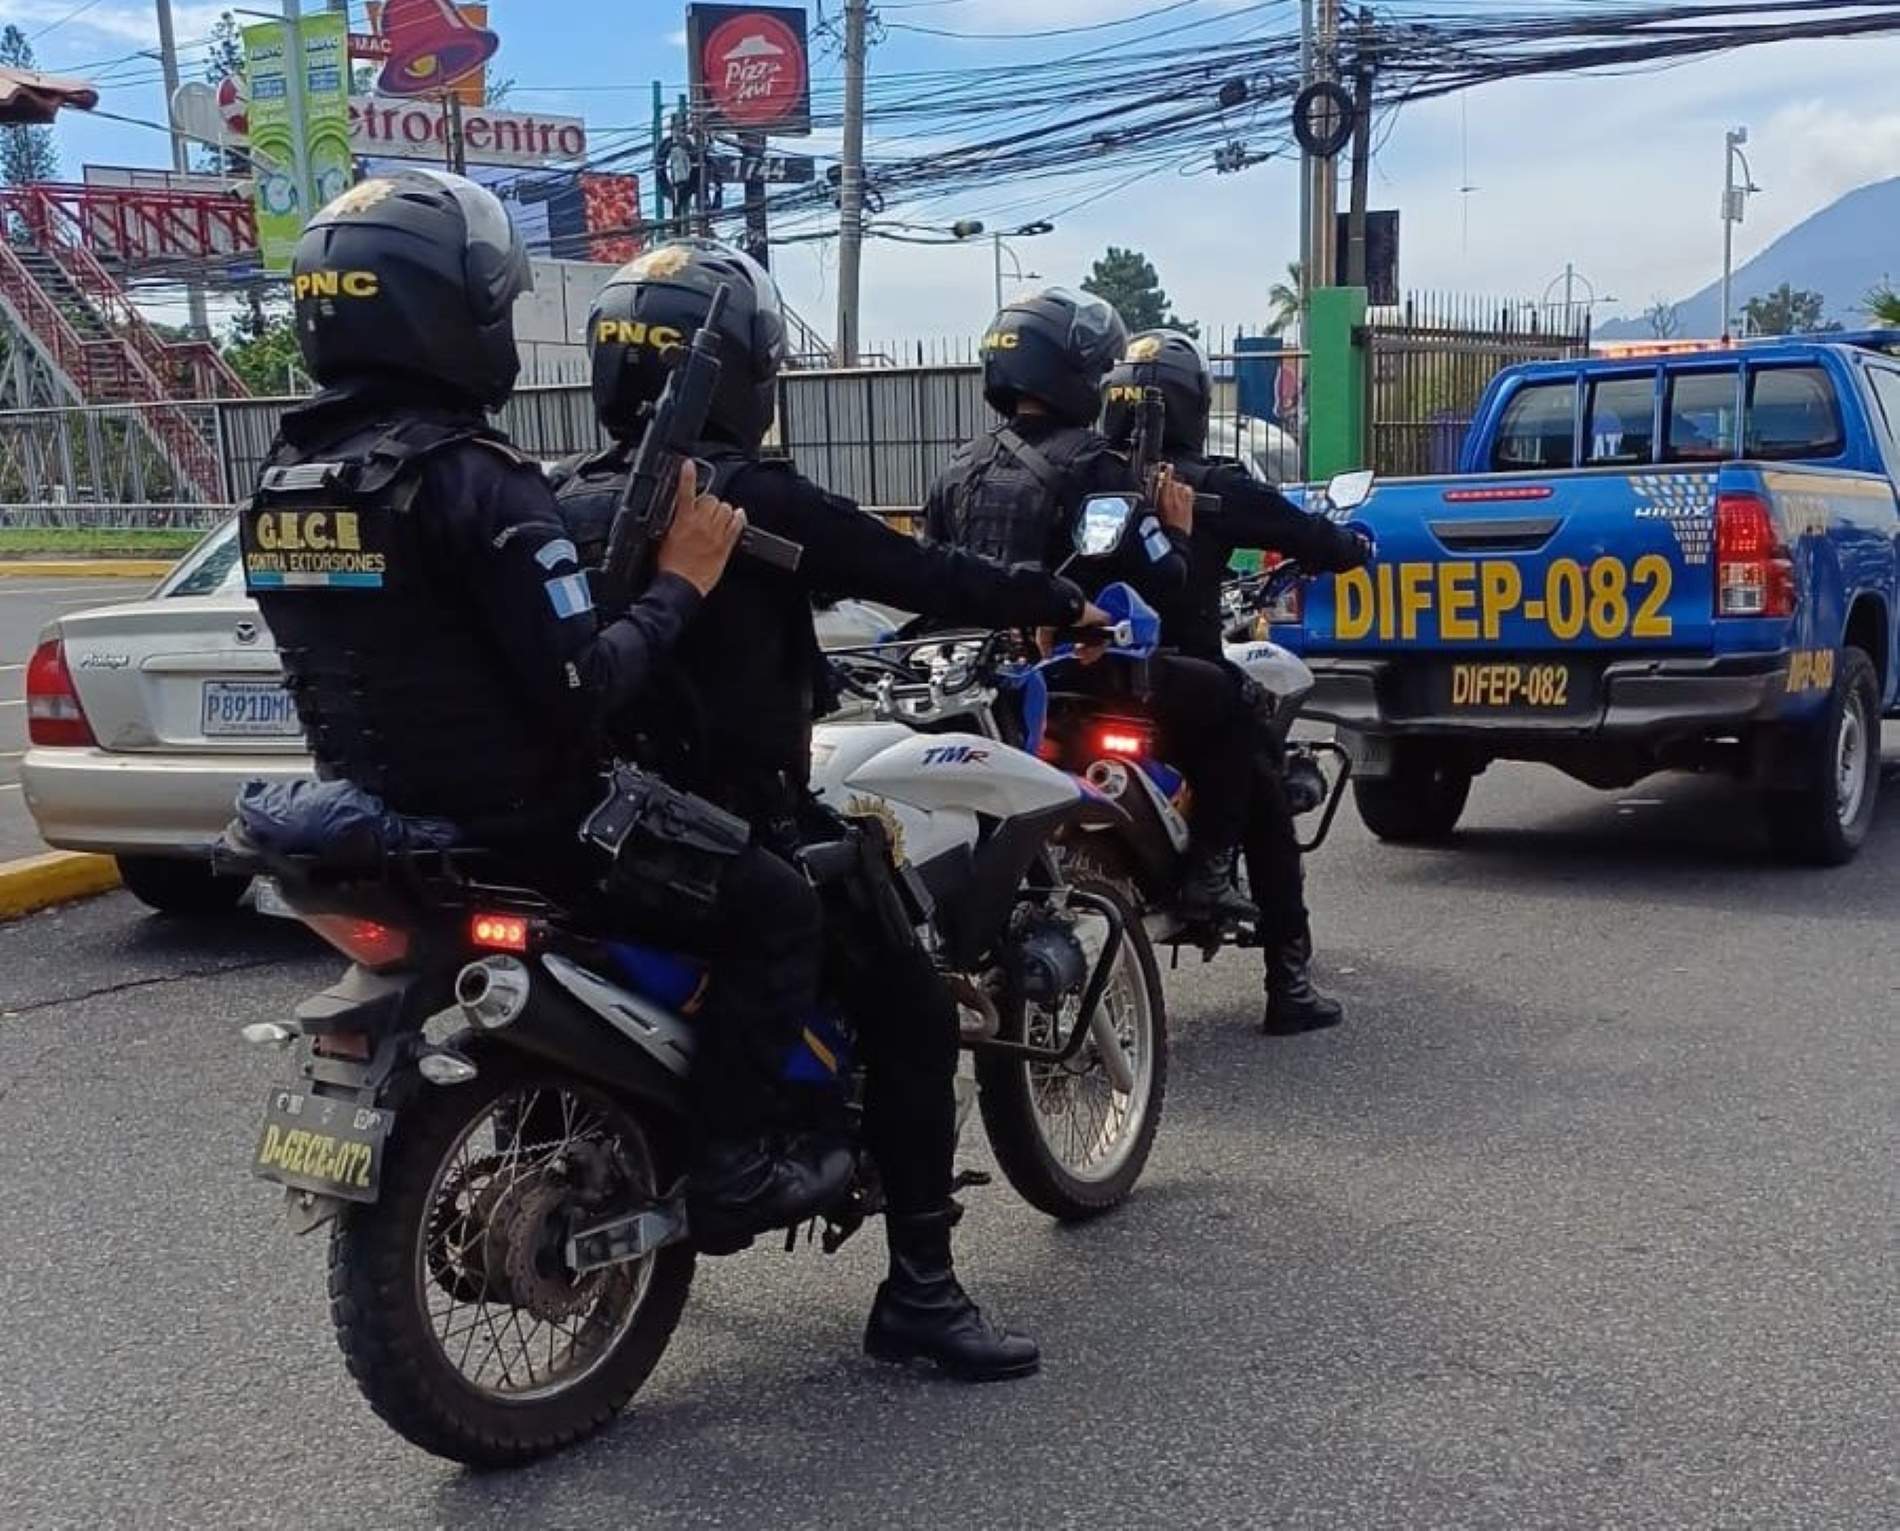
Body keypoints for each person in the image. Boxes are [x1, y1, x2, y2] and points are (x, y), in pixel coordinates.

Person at [239, 168, 850, 1253]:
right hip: (535, 820)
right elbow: (586, 683)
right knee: (781, 908)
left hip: (373, 800)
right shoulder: (479, 482)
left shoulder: (290, 479)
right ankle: (732, 1168)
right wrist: (682, 584)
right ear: (449, 313)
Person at [556, 238, 1111, 1383]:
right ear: (743, 376)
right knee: (913, 1011)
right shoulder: (743, 497)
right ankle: (920, 1291)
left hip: (599, 829)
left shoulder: (564, 492)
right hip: (724, 827)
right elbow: (920, 575)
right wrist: (1055, 595)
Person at [922, 287, 1257, 925]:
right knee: (1233, 699)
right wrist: (1177, 527)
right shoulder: (1097, 466)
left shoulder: (955, 469)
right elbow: (1164, 578)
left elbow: (935, 571)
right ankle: (1210, 875)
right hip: (1081, 669)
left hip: (978, 675)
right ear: (1071, 373)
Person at [1101, 329, 1372, 1033]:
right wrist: (1350, 547)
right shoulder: (1208, 487)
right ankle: (1285, 977)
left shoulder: (1083, 475)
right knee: (1260, 784)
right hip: (1173, 686)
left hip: (1071, 680)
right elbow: (1304, 530)